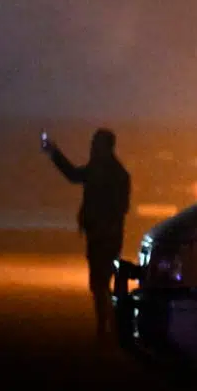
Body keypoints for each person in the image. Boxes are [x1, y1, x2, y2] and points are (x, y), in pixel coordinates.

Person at [43, 129, 131, 341]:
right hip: (104, 234)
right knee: (100, 284)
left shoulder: (109, 173)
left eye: (95, 143)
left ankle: (108, 327)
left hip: (104, 235)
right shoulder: (113, 172)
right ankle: (108, 326)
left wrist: (54, 153)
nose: (91, 147)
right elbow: (74, 175)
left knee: (99, 283)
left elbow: (74, 176)